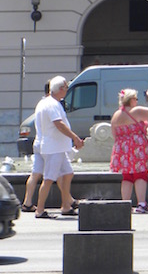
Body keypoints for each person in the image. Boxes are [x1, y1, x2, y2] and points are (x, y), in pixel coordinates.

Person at [34, 75, 84, 218]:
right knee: (49, 178)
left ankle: (66, 205)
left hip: (57, 147)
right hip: (53, 148)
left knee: (68, 173)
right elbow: (59, 125)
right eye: (66, 88)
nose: (67, 90)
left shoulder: (50, 103)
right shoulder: (52, 104)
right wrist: (74, 137)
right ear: (60, 89)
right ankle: (40, 209)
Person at [110, 87, 148, 213]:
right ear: (131, 100)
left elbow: (114, 134)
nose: (137, 102)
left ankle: (125, 204)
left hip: (122, 148)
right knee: (140, 174)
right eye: (136, 99)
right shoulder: (136, 111)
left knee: (127, 176)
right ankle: (141, 204)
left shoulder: (116, 115)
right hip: (137, 146)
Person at [20, 81, 50, 212]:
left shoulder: (40, 104)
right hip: (49, 144)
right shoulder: (51, 104)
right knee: (60, 174)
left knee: (35, 173)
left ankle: (27, 202)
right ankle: (68, 202)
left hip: (38, 142)